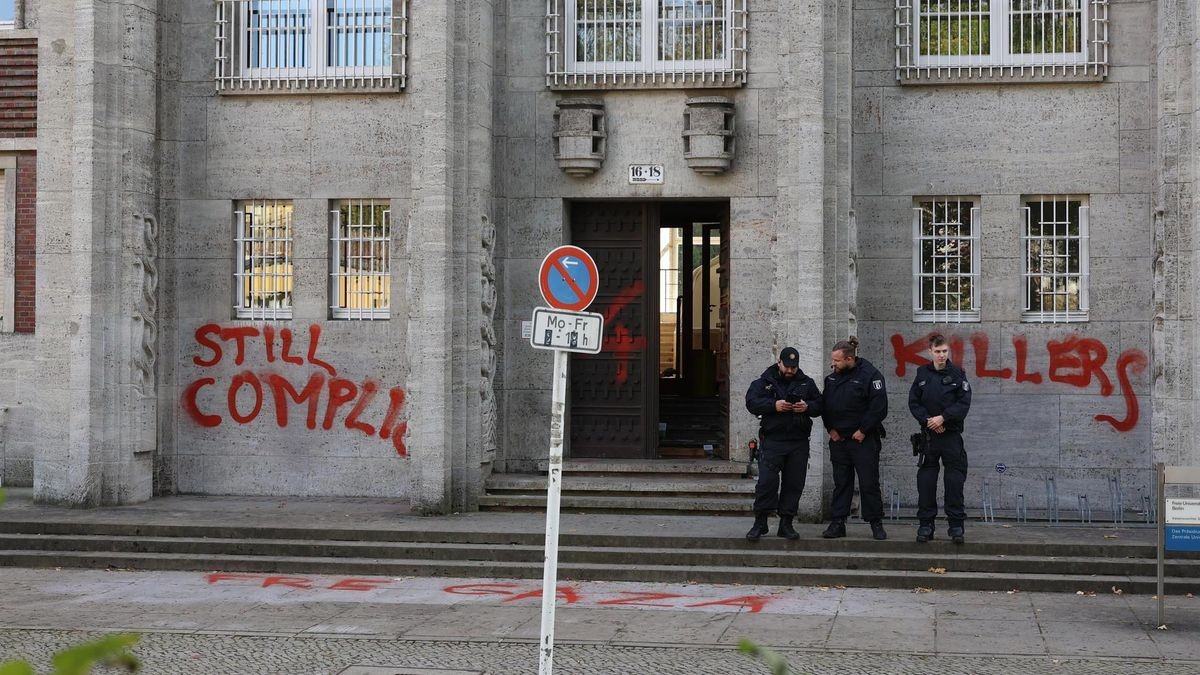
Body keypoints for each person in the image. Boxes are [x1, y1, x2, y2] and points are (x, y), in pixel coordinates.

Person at [743, 347, 823, 541]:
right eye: (787, 366)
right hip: (773, 441)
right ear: (779, 362)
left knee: (794, 483)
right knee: (767, 483)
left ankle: (786, 523)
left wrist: (807, 407)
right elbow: (751, 403)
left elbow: (820, 405)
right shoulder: (764, 382)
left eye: (794, 367)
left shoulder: (806, 383)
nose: (790, 371)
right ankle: (760, 523)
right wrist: (774, 406)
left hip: (798, 442)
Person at [821, 337, 889, 540]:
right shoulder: (832, 378)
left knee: (869, 483)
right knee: (841, 483)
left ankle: (875, 523)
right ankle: (838, 523)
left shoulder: (871, 375)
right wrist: (830, 428)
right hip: (839, 440)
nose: (833, 364)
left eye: (837, 360)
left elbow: (879, 408)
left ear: (850, 359)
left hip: (863, 439)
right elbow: (825, 405)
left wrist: (863, 430)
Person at [908, 333, 972, 544]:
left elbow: (963, 403)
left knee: (954, 481)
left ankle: (956, 527)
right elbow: (914, 402)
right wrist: (928, 421)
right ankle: (926, 525)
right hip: (929, 437)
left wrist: (943, 418)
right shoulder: (922, 373)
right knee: (926, 482)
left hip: (951, 435)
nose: (942, 355)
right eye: (938, 352)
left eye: (944, 351)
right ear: (930, 352)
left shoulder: (957, 374)